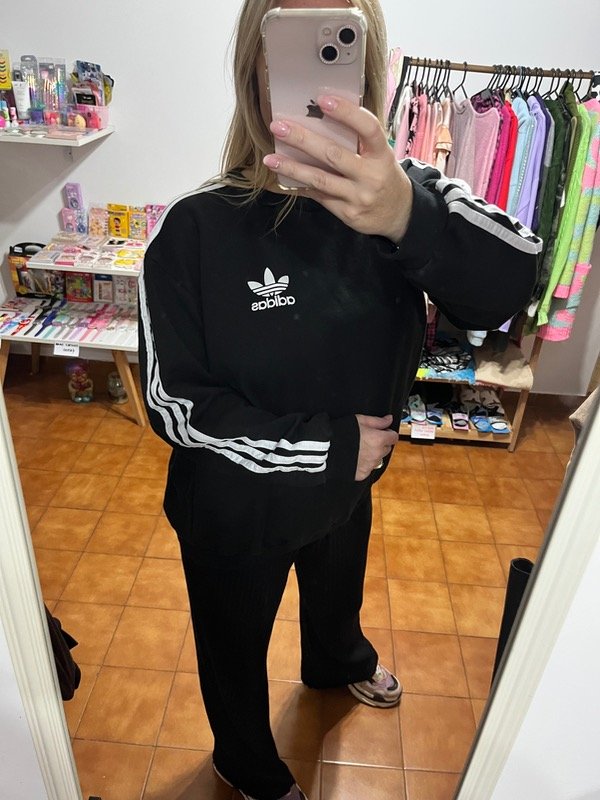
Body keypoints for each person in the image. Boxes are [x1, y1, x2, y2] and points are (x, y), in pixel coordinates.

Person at [139, 1, 542, 798]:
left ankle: (337, 661)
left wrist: (406, 215)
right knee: (232, 646)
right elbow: (173, 403)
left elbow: (514, 280)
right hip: (238, 509)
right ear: (254, 72)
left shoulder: (408, 201)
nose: (316, 79)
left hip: (346, 489)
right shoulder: (195, 229)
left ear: (371, 67)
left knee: (336, 596)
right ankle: (243, 760)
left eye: (340, 47)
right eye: (289, 48)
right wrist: (326, 447)